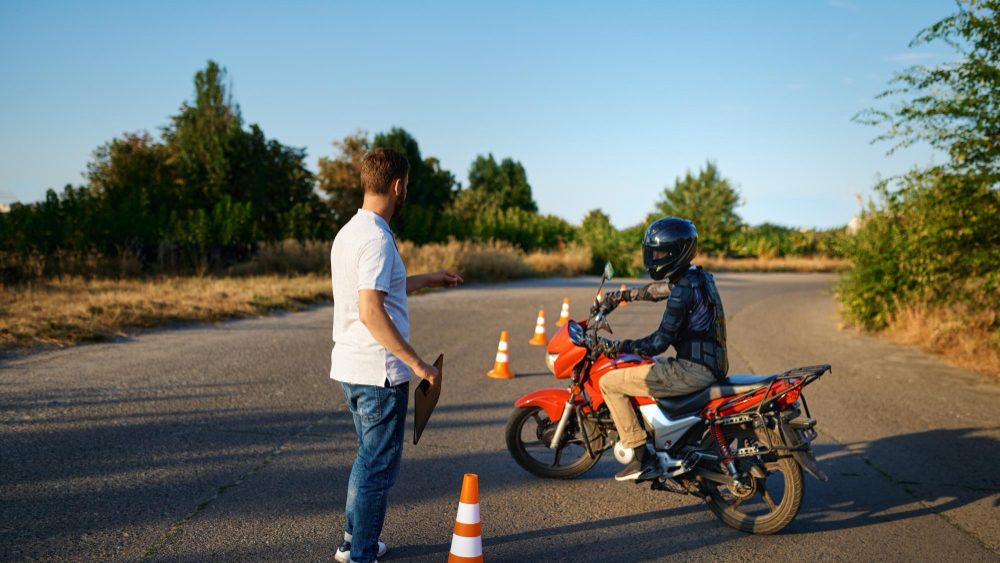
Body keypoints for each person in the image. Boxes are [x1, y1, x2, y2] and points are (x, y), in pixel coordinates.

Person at [329, 147, 463, 563]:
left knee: (367, 459)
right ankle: (362, 554)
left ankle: (353, 542)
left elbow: (379, 290)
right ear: (398, 185)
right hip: (379, 374)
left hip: (353, 367)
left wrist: (430, 279)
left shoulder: (351, 231)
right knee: (378, 468)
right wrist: (418, 364)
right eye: (407, 187)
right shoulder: (377, 239)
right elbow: (370, 310)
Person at [593, 217, 729, 482]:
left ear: (676, 252)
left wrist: (618, 346)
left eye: (659, 252)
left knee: (610, 382)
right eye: (652, 251)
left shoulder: (682, 290)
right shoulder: (697, 277)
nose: (654, 257)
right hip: (711, 364)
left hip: (693, 370)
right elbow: (659, 290)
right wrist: (622, 296)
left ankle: (640, 456)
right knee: (650, 366)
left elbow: (657, 342)